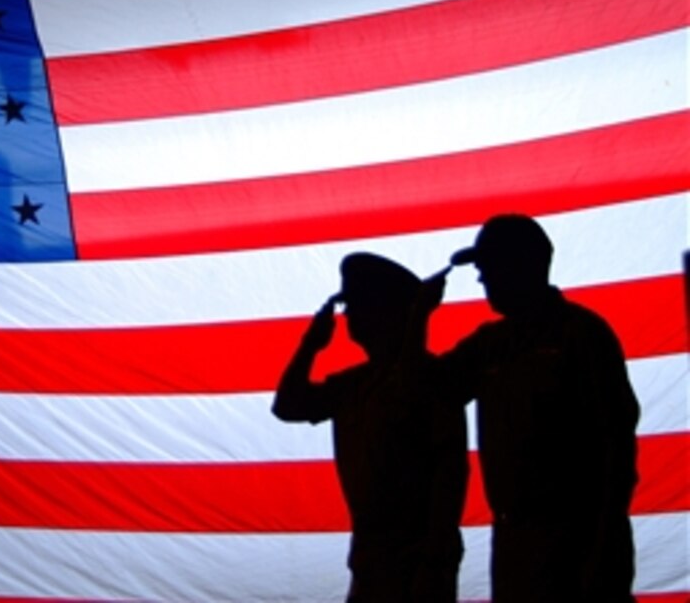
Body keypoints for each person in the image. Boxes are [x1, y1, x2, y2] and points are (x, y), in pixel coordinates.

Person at [441, 214, 639, 602]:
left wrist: (602, 548)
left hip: (579, 540)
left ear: (524, 265)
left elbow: (617, 446)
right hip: (517, 544)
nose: (482, 279)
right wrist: (414, 320)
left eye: (489, 267)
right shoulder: (489, 344)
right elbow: (425, 392)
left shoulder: (583, 334)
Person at [273, 253, 467, 603]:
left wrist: (434, 563)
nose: (347, 315)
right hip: (371, 559)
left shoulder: (429, 379)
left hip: (420, 562)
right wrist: (310, 345)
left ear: (385, 311)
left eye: (357, 303)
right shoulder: (354, 385)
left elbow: (449, 474)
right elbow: (288, 405)